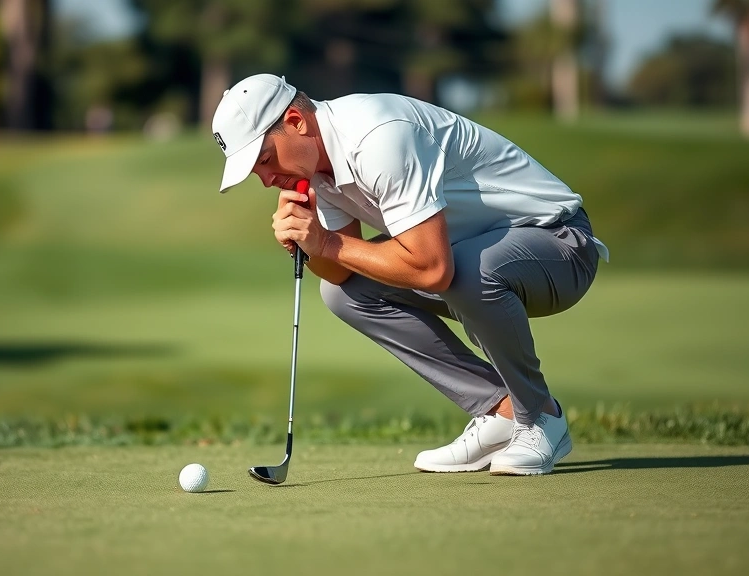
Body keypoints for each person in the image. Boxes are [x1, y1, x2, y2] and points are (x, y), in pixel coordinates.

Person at [210, 74, 609, 476]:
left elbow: (433, 270)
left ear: (296, 121)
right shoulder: (318, 167)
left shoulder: (378, 137)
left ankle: (541, 417)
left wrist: (327, 244)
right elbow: (338, 270)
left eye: (264, 160)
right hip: (468, 253)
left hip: (559, 243)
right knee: (343, 294)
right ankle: (500, 411)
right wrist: (309, 241)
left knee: (464, 273)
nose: (264, 179)